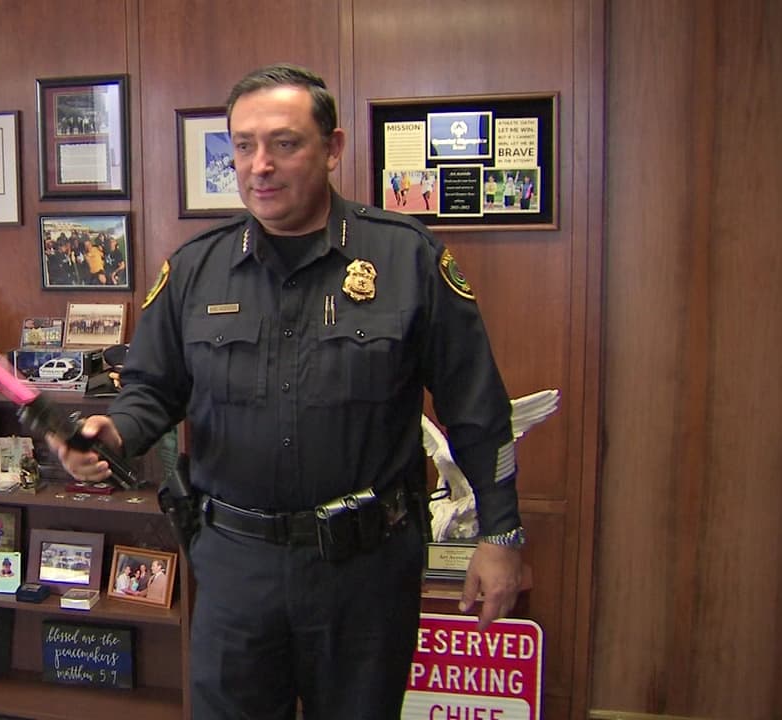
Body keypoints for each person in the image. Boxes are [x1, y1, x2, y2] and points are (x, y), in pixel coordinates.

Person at [49, 63, 524, 720]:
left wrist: (501, 537)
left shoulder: (405, 259)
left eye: (285, 143)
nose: (259, 165)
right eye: (242, 145)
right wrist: (114, 432)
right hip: (235, 567)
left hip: (364, 570)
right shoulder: (196, 269)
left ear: (332, 149)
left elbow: (478, 410)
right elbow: (153, 389)